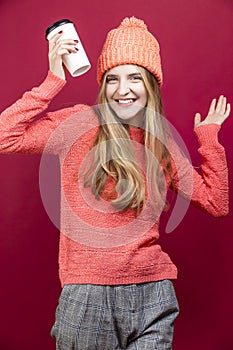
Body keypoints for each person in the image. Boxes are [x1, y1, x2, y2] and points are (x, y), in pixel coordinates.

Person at [0, 16, 230, 350]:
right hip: (88, 295)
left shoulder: (160, 142)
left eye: (135, 77)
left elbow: (215, 203)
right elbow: (5, 137)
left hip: (154, 292)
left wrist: (208, 140)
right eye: (112, 79)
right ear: (103, 85)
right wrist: (52, 81)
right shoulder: (79, 123)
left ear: (151, 85)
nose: (123, 90)